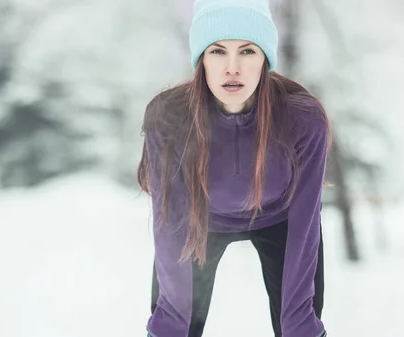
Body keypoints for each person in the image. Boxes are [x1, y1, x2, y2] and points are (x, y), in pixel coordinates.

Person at [137, 0, 331, 336]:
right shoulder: (168, 118)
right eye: (216, 51)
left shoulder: (304, 119)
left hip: (280, 218)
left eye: (247, 51)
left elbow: (305, 224)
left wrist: (300, 327)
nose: (232, 67)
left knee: (297, 326)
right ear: (201, 59)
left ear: (265, 58)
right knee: (175, 325)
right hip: (200, 219)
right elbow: (170, 227)